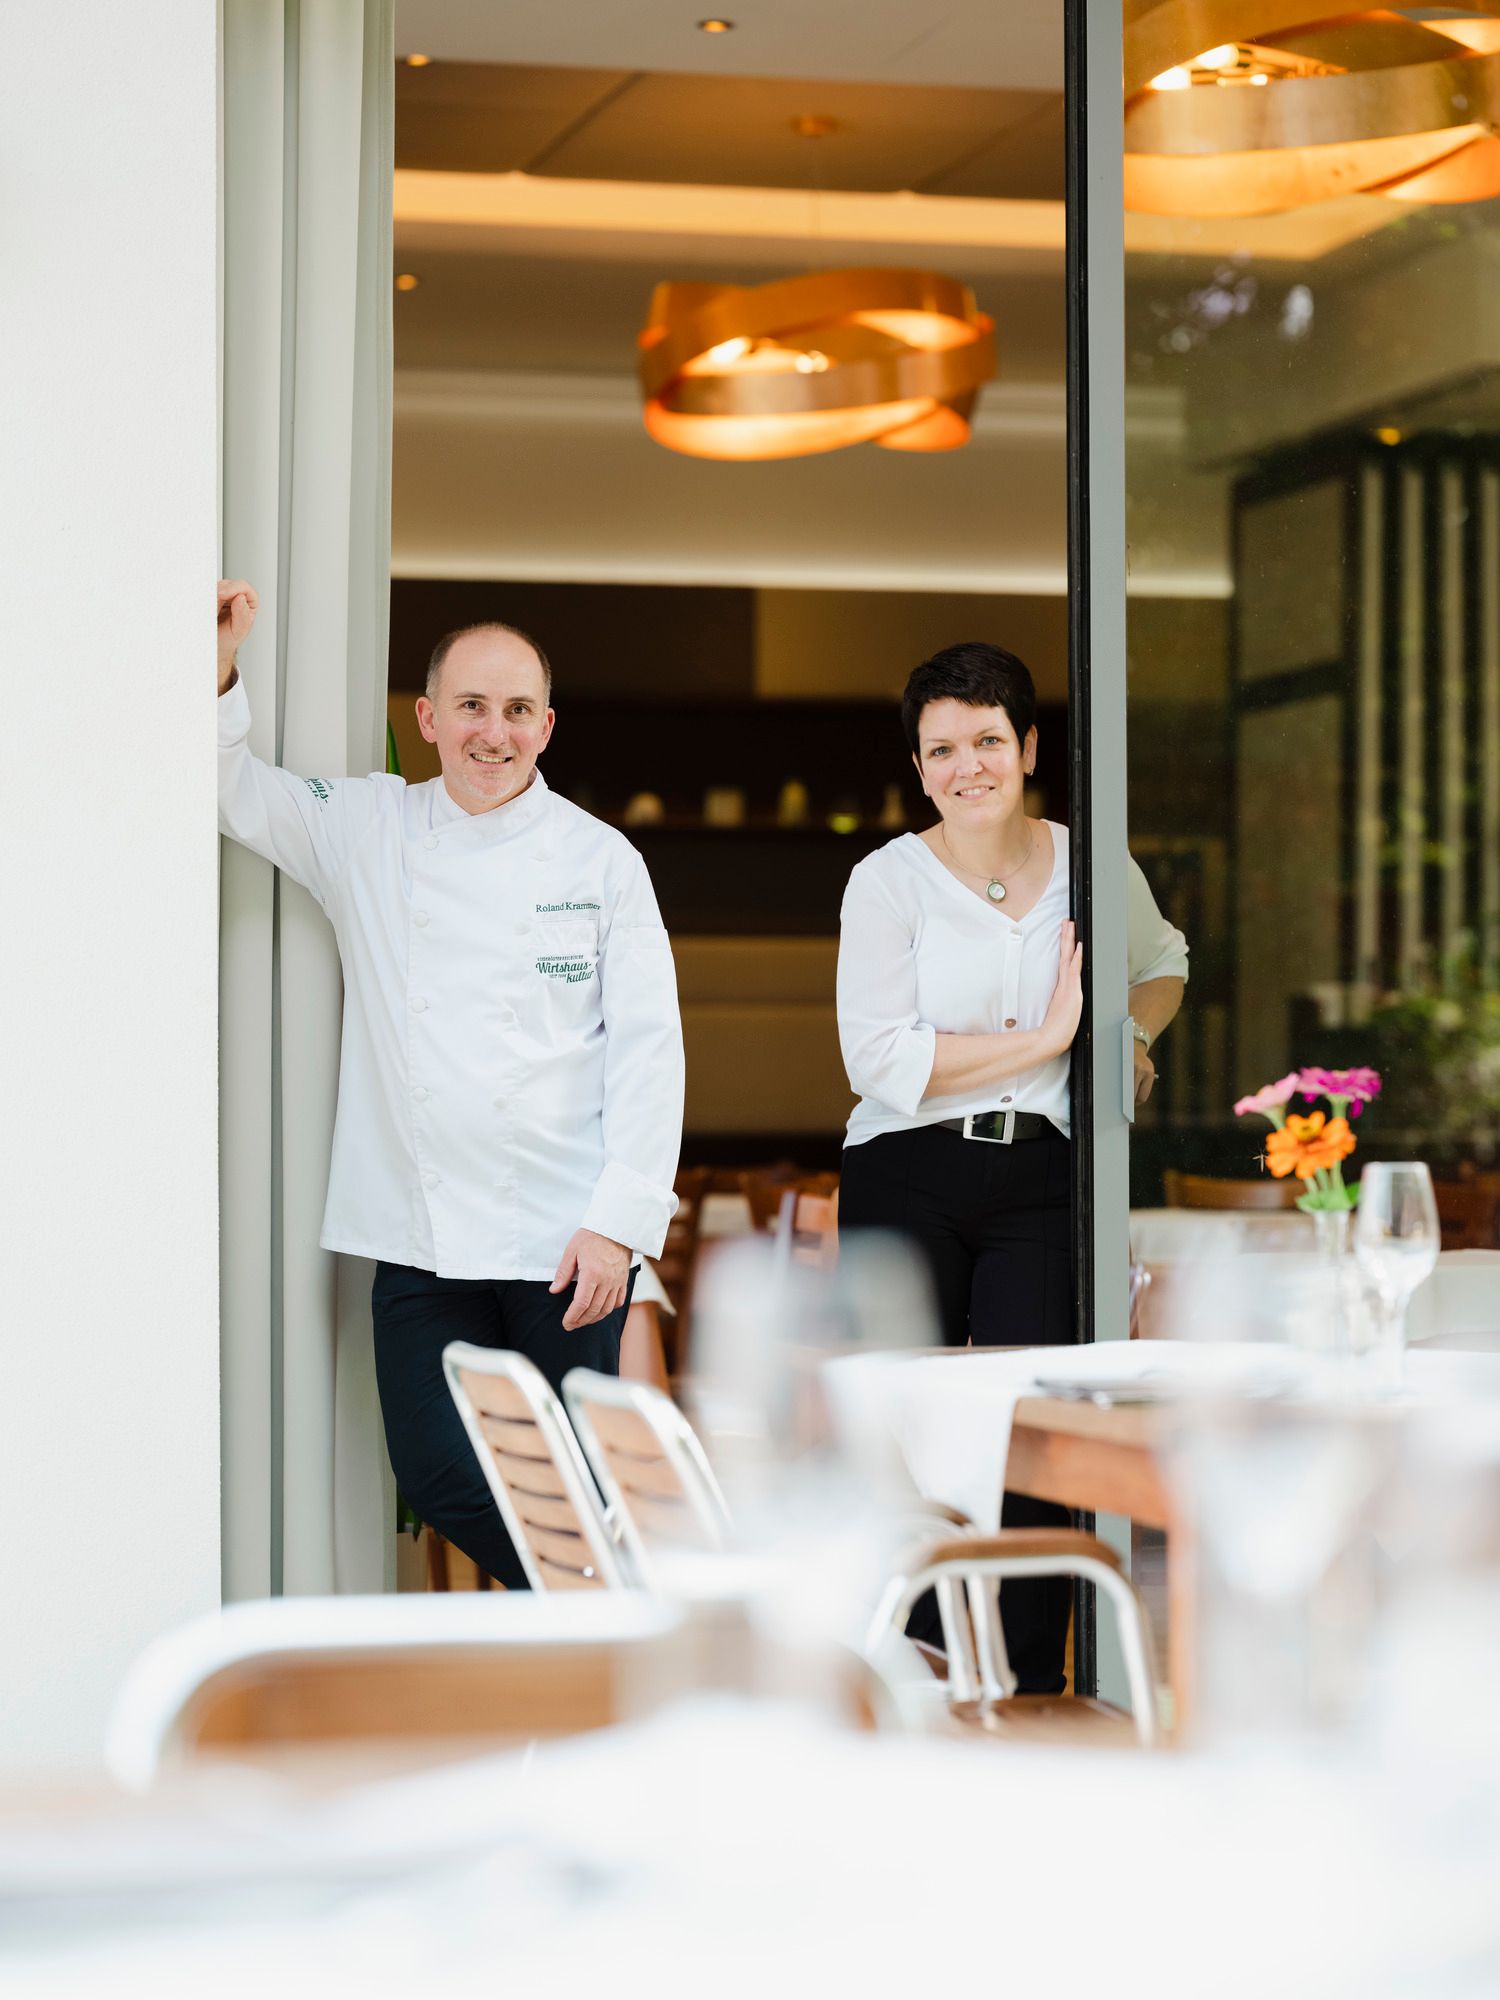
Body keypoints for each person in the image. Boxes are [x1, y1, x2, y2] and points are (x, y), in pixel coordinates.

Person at [216, 581, 685, 1587]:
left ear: (547, 727)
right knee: (436, 1471)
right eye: (471, 705)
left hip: (567, 1244)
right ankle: (616, 1600)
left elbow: (651, 1051)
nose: (493, 731)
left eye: (517, 710)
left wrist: (620, 1223)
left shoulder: (603, 861)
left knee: (567, 1474)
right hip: (421, 1242)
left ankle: (580, 1655)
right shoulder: (367, 829)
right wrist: (218, 667)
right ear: (427, 718)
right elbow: (235, 793)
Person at [835, 641, 1186, 1690]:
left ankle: (1031, 1683)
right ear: (919, 764)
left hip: (1044, 1179)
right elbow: (881, 1059)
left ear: (1027, 747)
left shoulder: (1091, 862)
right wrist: (1044, 1040)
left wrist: (1130, 1039)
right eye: (941, 748)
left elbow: (1163, 961)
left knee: (1030, 1433)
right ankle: (927, 1666)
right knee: (905, 1427)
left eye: (987, 739)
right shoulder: (887, 881)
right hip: (907, 1172)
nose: (966, 765)